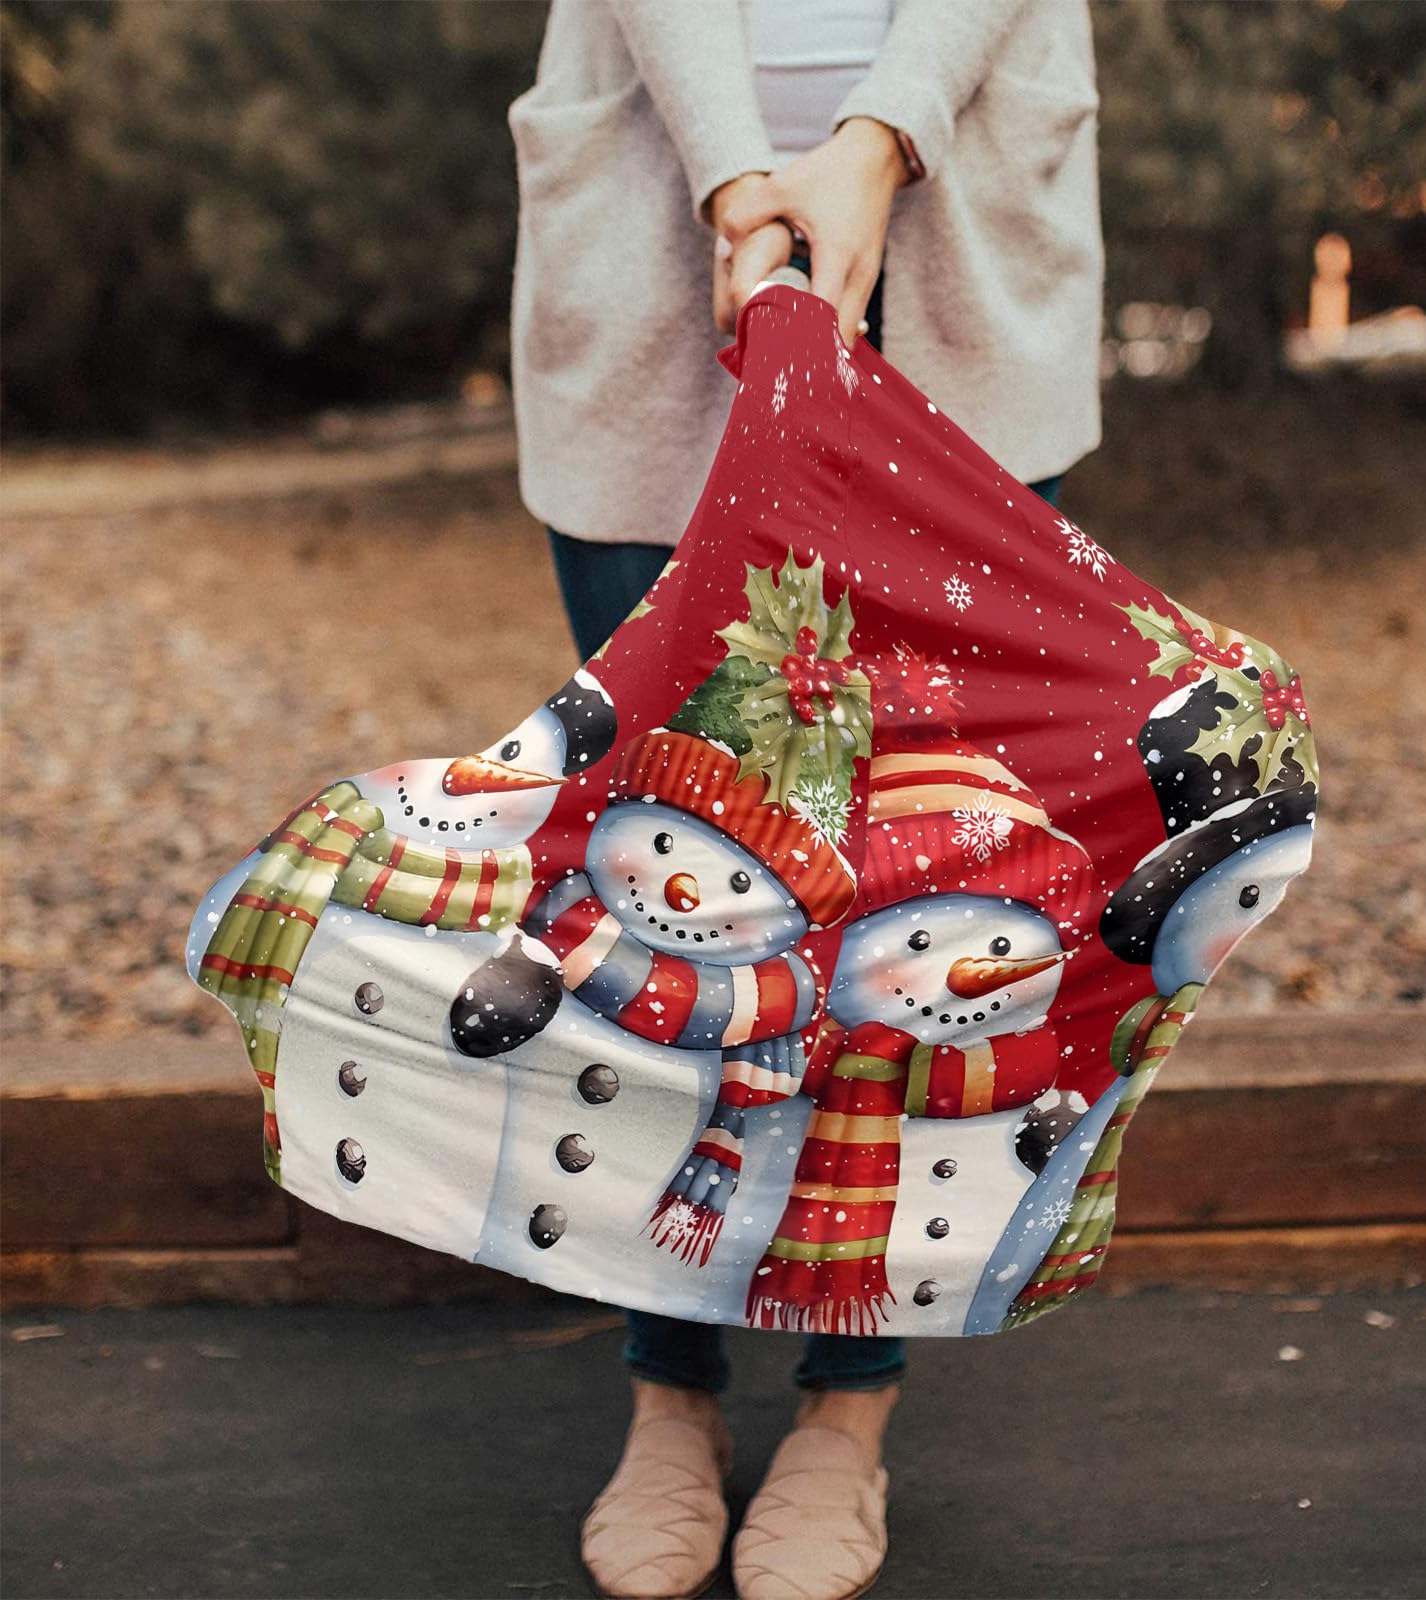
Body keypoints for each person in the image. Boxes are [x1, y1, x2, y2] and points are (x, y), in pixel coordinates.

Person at [507, 4, 1103, 1595]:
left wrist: (880, 139)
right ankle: (670, 1386)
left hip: (960, 230)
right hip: (655, 220)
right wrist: (735, 179)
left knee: (927, 878)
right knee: (661, 867)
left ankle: (850, 1401)